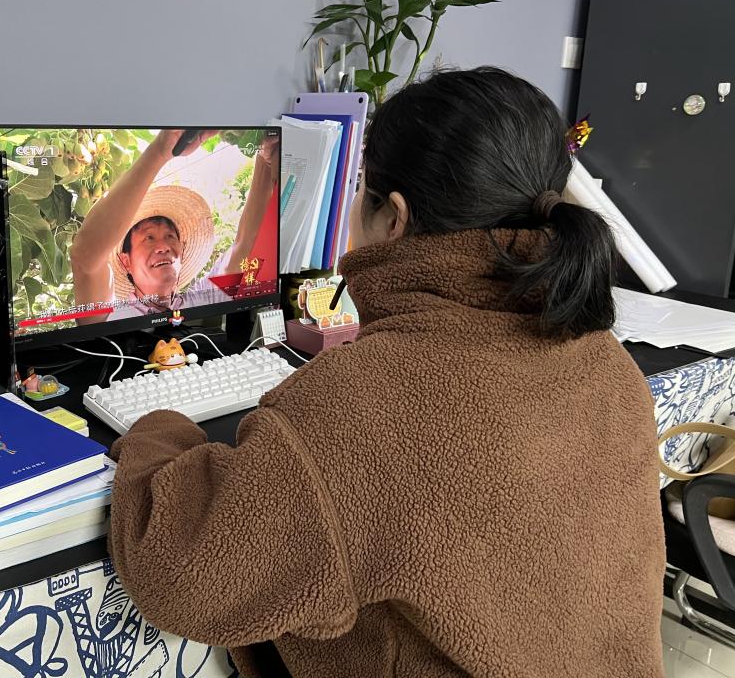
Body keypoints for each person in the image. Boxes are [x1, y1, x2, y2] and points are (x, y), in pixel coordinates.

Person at [108, 68, 665, 677]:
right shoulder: (610, 364)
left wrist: (157, 426)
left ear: (394, 219)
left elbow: (183, 576)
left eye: (358, 186)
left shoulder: (361, 403)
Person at [69, 129, 277, 322]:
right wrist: (161, 151)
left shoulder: (198, 302)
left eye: (170, 236)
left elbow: (246, 244)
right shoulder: (113, 317)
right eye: (149, 238)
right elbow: (85, 257)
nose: (164, 246)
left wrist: (265, 155)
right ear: (126, 261)